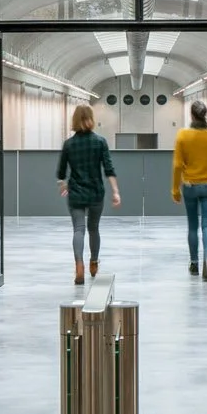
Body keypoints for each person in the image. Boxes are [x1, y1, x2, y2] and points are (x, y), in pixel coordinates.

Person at [57, 104, 119, 286]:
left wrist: (62, 185)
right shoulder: (100, 142)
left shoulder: (69, 144)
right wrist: (115, 191)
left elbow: (61, 172)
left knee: (78, 229)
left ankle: (78, 265)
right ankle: (93, 262)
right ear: (91, 118)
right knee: (93, 229)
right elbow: (108, 168)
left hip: (76, 192)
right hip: (95, 193)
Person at [170, 99, 207, 279]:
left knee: (192, 226)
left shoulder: (182, 135)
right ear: (205, 115)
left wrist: (175, 188)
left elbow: (177, 165)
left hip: (190, 186)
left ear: (191, 115)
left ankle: (194, 264)